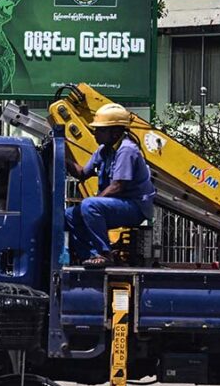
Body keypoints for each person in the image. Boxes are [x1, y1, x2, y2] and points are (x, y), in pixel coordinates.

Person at [64, 103, 157, 269]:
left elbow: (118, 186)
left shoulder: (127, 150)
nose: (95, 134)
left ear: (116, 132)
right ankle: (91, 256)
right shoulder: (103, 150)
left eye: (100, 130)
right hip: (116, 204)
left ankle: (105, 254)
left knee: (89, 205)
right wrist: (61, 155)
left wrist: (92, 204)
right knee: (69, 216)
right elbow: (82, 173)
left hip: (134, 207)